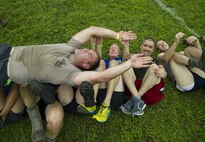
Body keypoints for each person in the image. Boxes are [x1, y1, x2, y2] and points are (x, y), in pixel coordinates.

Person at [1, 26, 152, 141]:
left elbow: (103, 76)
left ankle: (87, 104)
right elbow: (92, 30)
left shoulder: (73, 74)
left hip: (5, 72)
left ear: (86, 65)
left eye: (89, 54)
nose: (86, 49)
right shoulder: (69, 47)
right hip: (8, 50)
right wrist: (118, 36)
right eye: (88, 49)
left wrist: (129, 63)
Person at [77, 36, 128, 123]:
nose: (112, 49)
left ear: (119, 53)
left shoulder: (121, 61)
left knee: (114, 64)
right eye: (111, 48)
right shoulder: (105, 62)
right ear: (108, 53)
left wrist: (126, 45)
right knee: (99, 63)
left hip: (116, 96)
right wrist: (96, 46)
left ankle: (106, 105)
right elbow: (96, 62)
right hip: (101, 95)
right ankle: (92, 103)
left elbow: (127, 58)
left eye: (115, 48)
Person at [120, 37, 167, 117]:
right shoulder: (134, 56)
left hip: (149, 89)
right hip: (133, 86)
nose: (147, 48)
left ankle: (135, 99)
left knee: (154, 67)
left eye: (150, 47)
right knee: (125, 64)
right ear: (141, 46)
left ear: (153, 50)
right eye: (145, 45)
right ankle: (138, 101)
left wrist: (163, 73)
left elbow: (164, 74)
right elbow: (125, 58)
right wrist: (127, 46)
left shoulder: (156, 60)